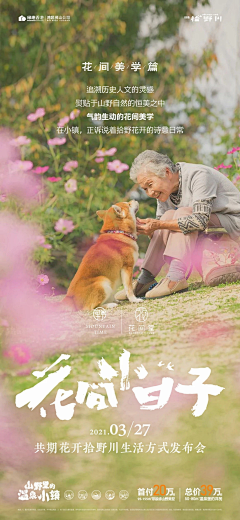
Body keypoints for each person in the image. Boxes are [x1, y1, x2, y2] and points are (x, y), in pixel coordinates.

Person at [116, 150, 240, 300]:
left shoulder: (199, 175)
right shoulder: (164, 192)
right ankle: (146, 279)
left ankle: (176, 276)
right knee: (169, 216)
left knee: (182, 213)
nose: (150, 192)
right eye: (145, 189)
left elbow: (199, 220)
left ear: (166, 172)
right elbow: (164, 231)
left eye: (150, 185)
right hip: (207, 226)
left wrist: (159, 225)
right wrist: (147, 229)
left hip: (232, 224)